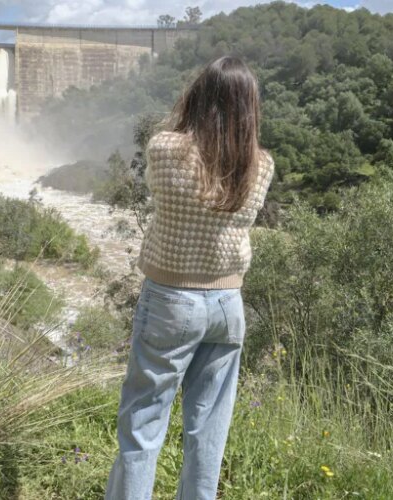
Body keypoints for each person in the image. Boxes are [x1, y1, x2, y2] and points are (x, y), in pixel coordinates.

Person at [105, 55, 275, 500]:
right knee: (208, 432)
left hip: (171, 300)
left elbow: (167, 172)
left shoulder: (165, 149)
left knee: (143, 423)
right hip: (227, 306)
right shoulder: (261, 165)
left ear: (200, 96)